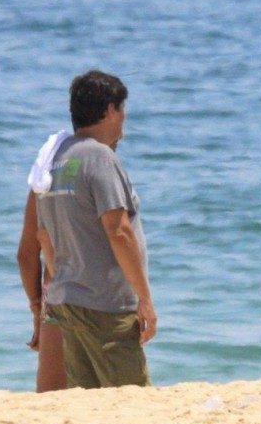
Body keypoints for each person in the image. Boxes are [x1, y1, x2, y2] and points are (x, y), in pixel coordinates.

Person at [35, 70, 157, 388]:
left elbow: (44, 237)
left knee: (91, 401)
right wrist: (144, 298)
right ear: (110, 110)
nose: (124, 120)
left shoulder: (55, 161)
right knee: (132, 398)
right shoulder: (100, 158)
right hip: (106, 306)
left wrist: (65, 280)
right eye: (122, 109)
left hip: (69, 302)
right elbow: (119, 231)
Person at [16, 189, 67, 392]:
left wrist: (37, 309)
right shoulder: (106, 176)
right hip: (106, 298)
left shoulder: (44, 183)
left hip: (56, 300)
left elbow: (26, 255)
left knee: (53, 397)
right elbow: (120, 235)